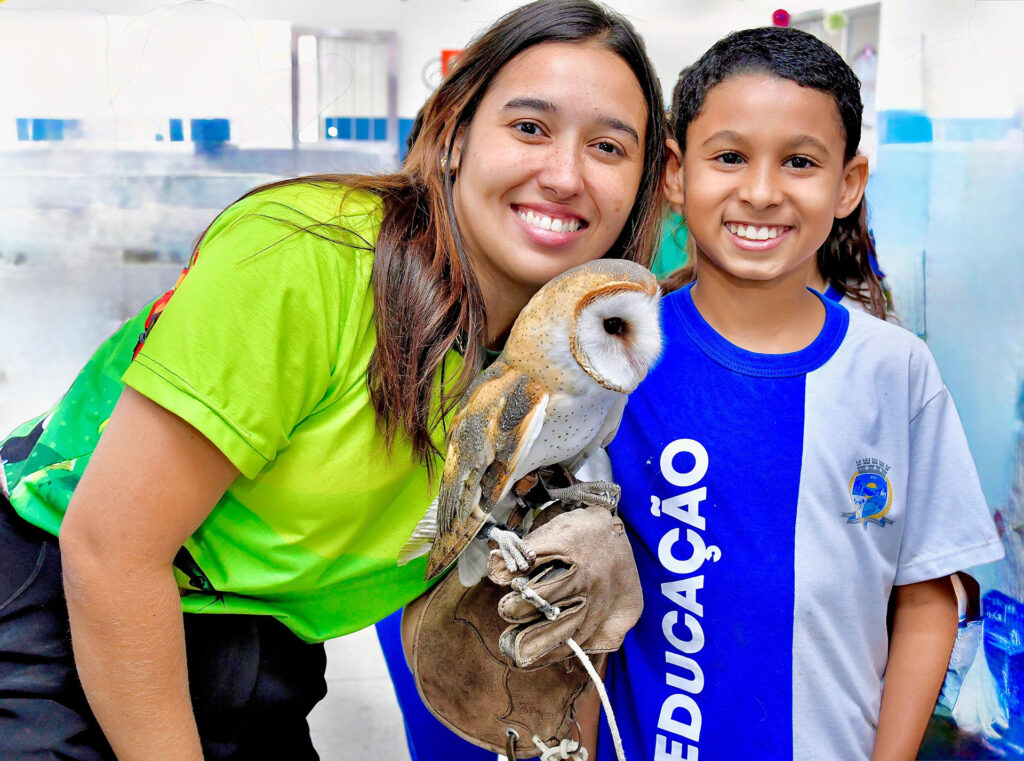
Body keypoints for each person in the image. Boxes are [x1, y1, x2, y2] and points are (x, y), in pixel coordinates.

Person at [0, 1, 667, 759]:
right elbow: (110, 549)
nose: (564, 174)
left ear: (643, 181)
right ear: (452, 133)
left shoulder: (560, 353)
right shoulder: (307, 257)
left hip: (268, 649)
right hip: (63, 616)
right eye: (529, 128)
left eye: (609, 147)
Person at [590, 27, 1004, 761]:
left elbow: (926, 597)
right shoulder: (617, 353)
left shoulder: (896, 371)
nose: (760, 190)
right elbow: (579, 619)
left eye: (801, 162)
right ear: (676, 176)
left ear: (848, 184)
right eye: (729, 157)